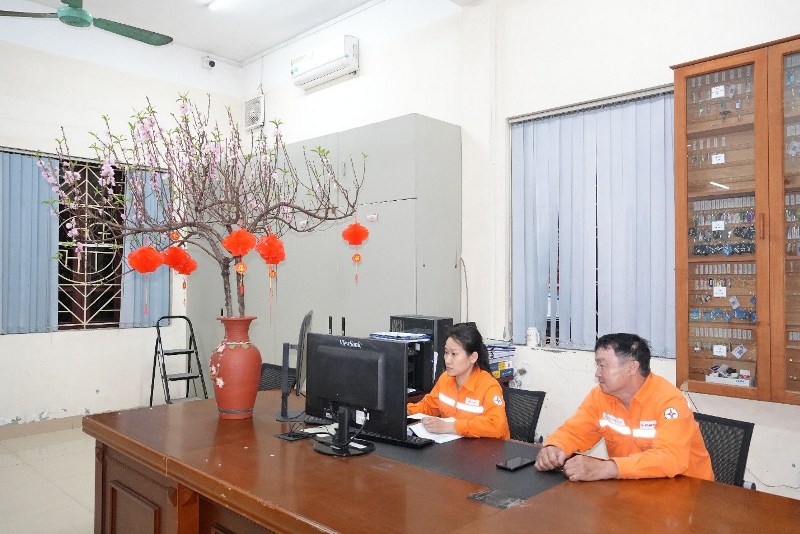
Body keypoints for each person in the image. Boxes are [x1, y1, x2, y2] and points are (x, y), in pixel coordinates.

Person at [534, 333, 713, 482]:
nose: (597, 373)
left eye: (603, 365)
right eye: (597, 365)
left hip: (688, 491)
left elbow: (671, 458)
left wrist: (608, 468)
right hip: (633, 487)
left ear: (631, 367)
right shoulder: (600, 396)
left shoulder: (669, 401)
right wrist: (555, 446)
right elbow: (576, 430)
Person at [407, 323, 510, 439]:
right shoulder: (445, 378)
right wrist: (405, 410)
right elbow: (428, 406)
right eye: (446, 352)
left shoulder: (489, 386)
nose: (447, 360)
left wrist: (451, 427)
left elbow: (496, 426)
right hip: (455, 445)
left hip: (488, 448)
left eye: (454, 354)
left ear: (473, 357)